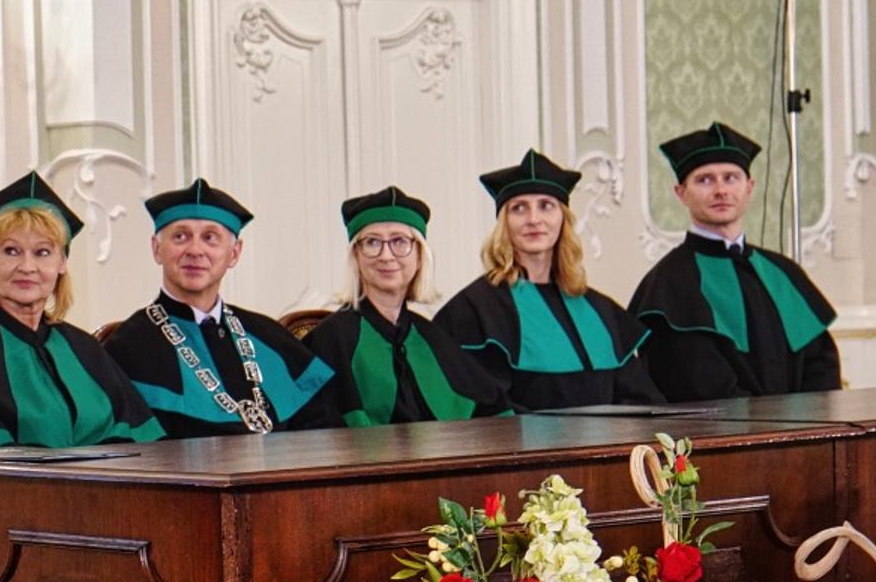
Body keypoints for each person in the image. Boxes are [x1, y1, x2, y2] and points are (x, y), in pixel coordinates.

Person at [0, 173, 164, 450]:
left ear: (62, 263)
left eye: (42, 252)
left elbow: (143, 446)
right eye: (11, 251)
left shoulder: (85, 349)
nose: (27, 267)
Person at [102, 178, 342, 436]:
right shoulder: (126, 347)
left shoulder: (269, 335)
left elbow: (324, 431)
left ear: (234, 253)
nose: (195, 250)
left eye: (210, 237)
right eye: (180, 236)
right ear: (157, 249)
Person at [435, 150, 665, 410]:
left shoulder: (601, 310)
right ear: (504, 223)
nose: (534, 219)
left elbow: (641, 401)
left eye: (546, 205)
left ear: (563, 219)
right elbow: (485, 408)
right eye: (519, 208)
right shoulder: (474, 311)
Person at [629, 122, 840, 401]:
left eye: (731, 178)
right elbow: (694, 379)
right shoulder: (669, 283)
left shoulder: (784, 271)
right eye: (705, 180)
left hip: (804, 424)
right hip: (725, 426)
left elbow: (821, 364)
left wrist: (811, 418)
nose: (721, 190)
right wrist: (764, 421)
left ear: (749, 187)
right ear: (681, 193)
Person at [303, 186, 513, 426]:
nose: (386, 256)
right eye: (372, 242)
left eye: (399, 241)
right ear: (356, 257)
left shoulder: (433, 338)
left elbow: (495, 409)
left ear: (420, 257)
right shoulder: (332, 339)